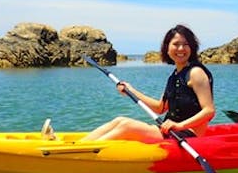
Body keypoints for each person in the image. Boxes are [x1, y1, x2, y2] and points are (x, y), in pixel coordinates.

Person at [79, 24, 215, 142]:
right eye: (176, 44)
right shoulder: (174, 76)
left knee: (127, 126)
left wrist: (180, 126)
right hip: (170, 130)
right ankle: (78, 146)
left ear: (192, 48)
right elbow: (160, 108)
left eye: (185, 44)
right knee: (120, 120)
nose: (181, 49)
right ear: (167, 48)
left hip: (187, 135)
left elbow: (209, 111)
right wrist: (131, 90)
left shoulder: (196, 72)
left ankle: (84, 153)